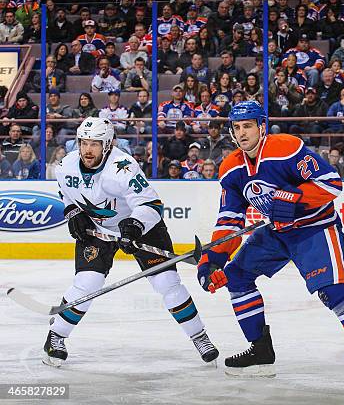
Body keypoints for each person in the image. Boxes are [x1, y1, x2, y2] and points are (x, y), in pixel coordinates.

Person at [195, 101, 344, 387]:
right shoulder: (231, 170)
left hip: (314, 227)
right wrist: (212, 260)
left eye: (247, 126)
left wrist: (293, 199)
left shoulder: (286, 149)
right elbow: (229, 221)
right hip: (276, 233)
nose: (242, 133)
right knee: (237, 277)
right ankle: (260, 352)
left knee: (335, 293)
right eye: (237, 128)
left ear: (262, 127)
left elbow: (331, 183)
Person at [43, 117, 218, 368]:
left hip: (140, 226)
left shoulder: (123, 168)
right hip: (98, 229)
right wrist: (73, 212)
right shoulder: (66, 166)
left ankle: (199, 337)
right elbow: (66, 192)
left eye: (95, 143)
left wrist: (135, 225)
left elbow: (151, 205)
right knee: (87, 283)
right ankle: (55, 336)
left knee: (167, 283)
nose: (87, 150)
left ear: (107, 145)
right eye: (83, 143)